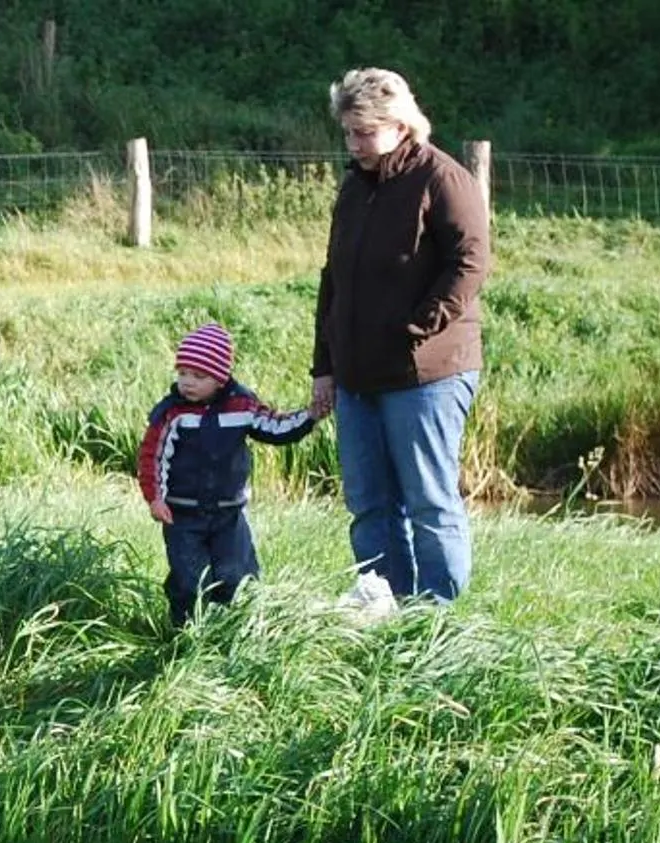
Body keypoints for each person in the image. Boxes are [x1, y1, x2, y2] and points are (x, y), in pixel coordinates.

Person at [311, 66, 491, 608]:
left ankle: (436, 617)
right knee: (369, 502)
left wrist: (417, 329)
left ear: (400, 126)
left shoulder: (444, 180)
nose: (355, 144)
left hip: (427, 375)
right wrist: (324, 365)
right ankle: (384, 608)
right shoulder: (354, 186)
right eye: (348, 132)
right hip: (358, 375)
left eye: (364, 132)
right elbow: (333, 279)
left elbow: (471, 263)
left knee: (428, 501)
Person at [138, 321, 317, 626]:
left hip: (229, 514)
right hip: (182, 514)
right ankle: (184, 631)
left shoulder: (242, 406)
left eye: (198, 376)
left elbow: (276, 427)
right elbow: (152, 457)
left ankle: (231, 628)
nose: (188, 383)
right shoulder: (173, 413)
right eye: (182, 374)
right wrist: (155, 499)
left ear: (220, 380)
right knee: (188, 578)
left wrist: (311, 415)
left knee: (235, 574)